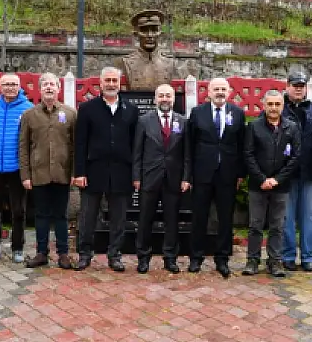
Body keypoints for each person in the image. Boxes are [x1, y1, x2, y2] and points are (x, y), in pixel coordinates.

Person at [74, 67, 138, 272]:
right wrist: (80, 172)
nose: (111, 84)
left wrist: (134, 174)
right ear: (100, 84)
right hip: (93, 170)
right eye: (107, 80)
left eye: (115, 80)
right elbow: (80, 144)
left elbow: (135, 145)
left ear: (120, 84)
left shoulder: (130, 109)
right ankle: (84, 254)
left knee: (119, 218)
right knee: (87, 216)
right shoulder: (87, 109)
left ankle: (115, 255)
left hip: (121, 172)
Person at [187, 77, 246, 278]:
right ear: (208, 92)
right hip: (202, 173)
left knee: (225, 218)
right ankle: (196, 257)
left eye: (223, 89)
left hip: (227, 174)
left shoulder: (237, 113)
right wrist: (190, 173)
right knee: (199, 217)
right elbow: (189, 145)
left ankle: (222, 259)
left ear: (229, 91)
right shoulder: (197, 113)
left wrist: (240, 174)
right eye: (216, 89)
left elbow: (241, 146)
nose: (220, 92)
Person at [18, 73, 76, 269]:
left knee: (61, 215)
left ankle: (63, 254)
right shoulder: (29, 115)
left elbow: (75, 145)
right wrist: (25, 175)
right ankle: (41, 252)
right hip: (39, 174)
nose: (49, 88)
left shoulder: (70, 113)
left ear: (58, 89)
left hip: (62, 173)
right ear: (40, 89)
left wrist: (75, 172)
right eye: (45, 85)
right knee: (41, 215)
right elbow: (23, 147)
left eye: (52, 84)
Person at [131, 84, 190, 274]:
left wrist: (186, 178)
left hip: (174, 178)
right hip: (149, 177)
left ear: (173, 99)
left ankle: (170, 258)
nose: (165, 99)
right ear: (155, 99)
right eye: (161, 96)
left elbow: (187, 153)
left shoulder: (183, 121)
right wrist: (136, 177)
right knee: (145, 218)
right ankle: (143, 257)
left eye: (168, 96)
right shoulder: (143, 121)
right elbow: (137, 152)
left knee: (172, 220)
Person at [243, 90, 301, 278]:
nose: (274, 108)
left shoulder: (292, 127)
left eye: (277, 104)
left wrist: (277, 179)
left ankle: (274, 261)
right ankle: (252, 260)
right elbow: (248, 155)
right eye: (270, 104)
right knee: (255, 225)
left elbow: (295, 157)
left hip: (281, 186)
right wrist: (262, 179)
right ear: (264, 105)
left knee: (277, 226)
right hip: (257, 185)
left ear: (282, 106)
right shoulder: (254, 127)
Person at [0, 73, 33, 263]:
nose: (10, 88)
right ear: (0, 86)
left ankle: (18, 247)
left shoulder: (28, 109)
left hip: (17, 167)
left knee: (18, 210)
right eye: (6, 84)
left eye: (14, 84)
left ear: (19, 86)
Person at [281, 71, 312, 272]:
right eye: (295, 85)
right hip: (286, 173)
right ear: (287, 86)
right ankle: (288, 255)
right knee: (286, 217)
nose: (298, 89)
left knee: (310, 217)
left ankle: (308, 257)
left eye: (302, 85)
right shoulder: (279, 108)